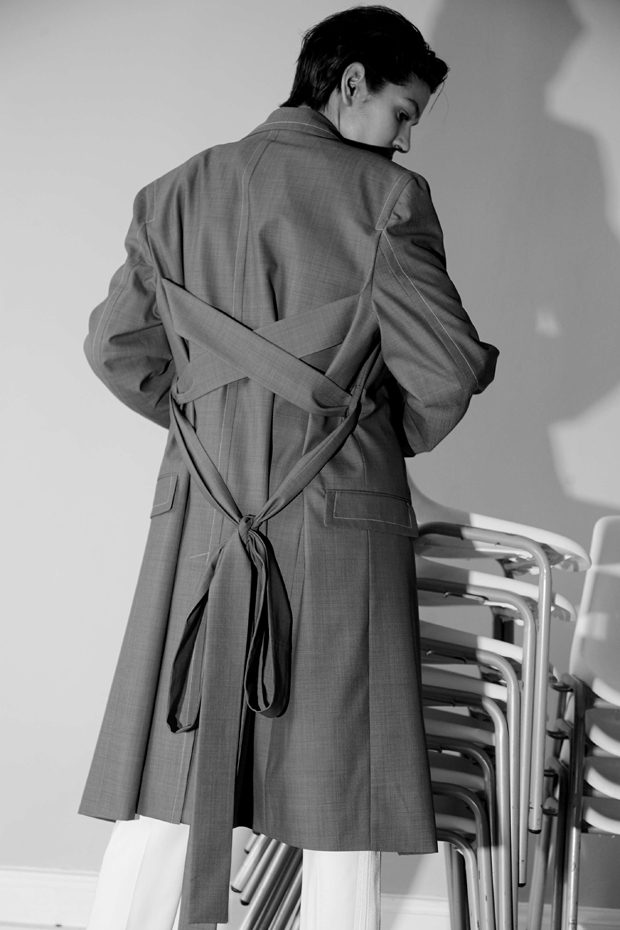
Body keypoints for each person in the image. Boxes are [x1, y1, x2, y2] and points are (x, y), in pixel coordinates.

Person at [79, 6, 499, 929]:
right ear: (350, 83)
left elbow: (117, 349)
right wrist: (365, 431)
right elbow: (447, 369)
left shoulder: (173, 194)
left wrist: (210, 419)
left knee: (172, 769)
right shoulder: (390, 200)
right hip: (336, 520)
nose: (405, 137)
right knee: (341, 787)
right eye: (404, 111)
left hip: (202, 512)